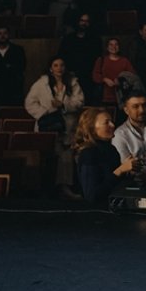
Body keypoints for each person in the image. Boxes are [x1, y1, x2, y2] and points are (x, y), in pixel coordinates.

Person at [24, 56, 85, 199]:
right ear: (51, 68)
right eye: (56, 65)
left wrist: (63, 105)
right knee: (48, 157)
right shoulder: (41, 83)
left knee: (66, 158)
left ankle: (65, 188)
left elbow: (80, 102)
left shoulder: (72, 82)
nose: (59, 68)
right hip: (48, 126)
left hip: (67, 126)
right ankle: (47, 189)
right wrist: (45, 114)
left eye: (62, 65)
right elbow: (29, 103)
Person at [73, 107, 136, 203]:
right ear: (92, 129)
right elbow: (92, 196)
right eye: (106, 123)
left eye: (111, 121)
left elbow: (114, 183)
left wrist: (129, 171)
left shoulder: (111, 150)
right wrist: (120, 170)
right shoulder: (88, 154)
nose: (112, 125)